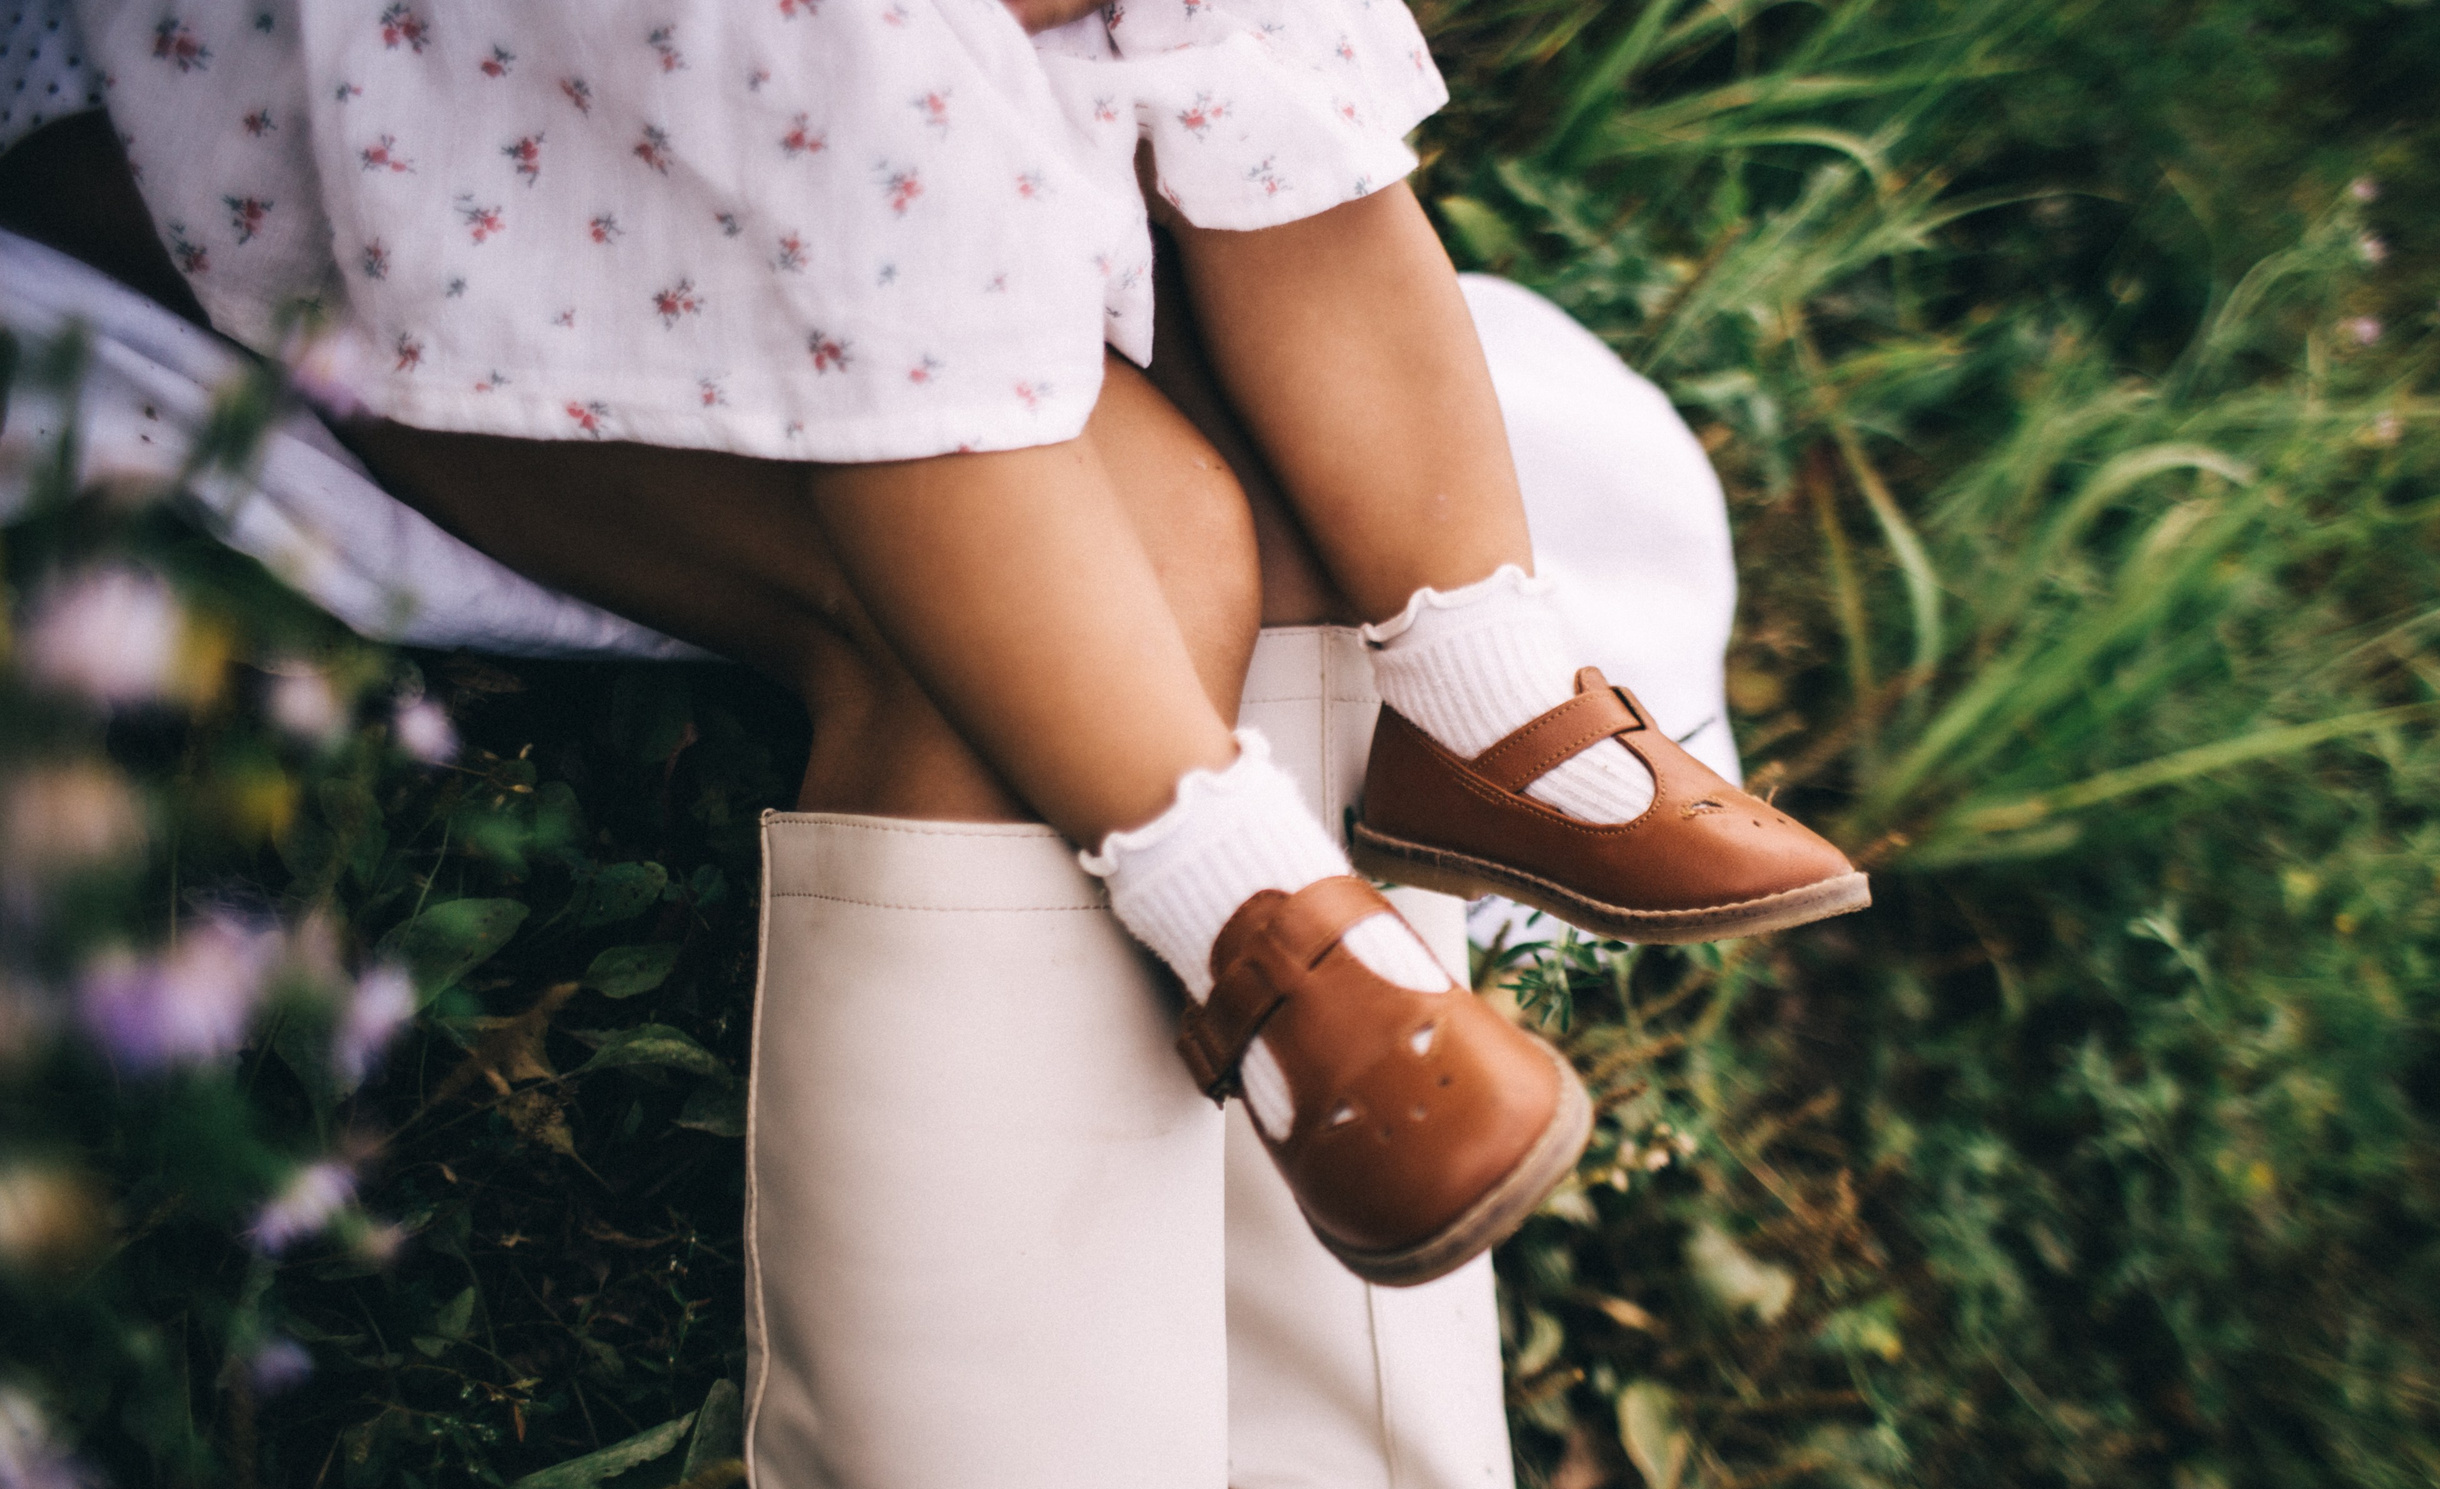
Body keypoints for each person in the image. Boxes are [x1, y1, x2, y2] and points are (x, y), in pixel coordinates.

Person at [61, 0, 1864, 1290]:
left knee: (1295, 521)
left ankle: (1461, 746)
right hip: (410, 134)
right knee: (1127, 578)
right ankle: (1258, 937)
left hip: (833, 137)